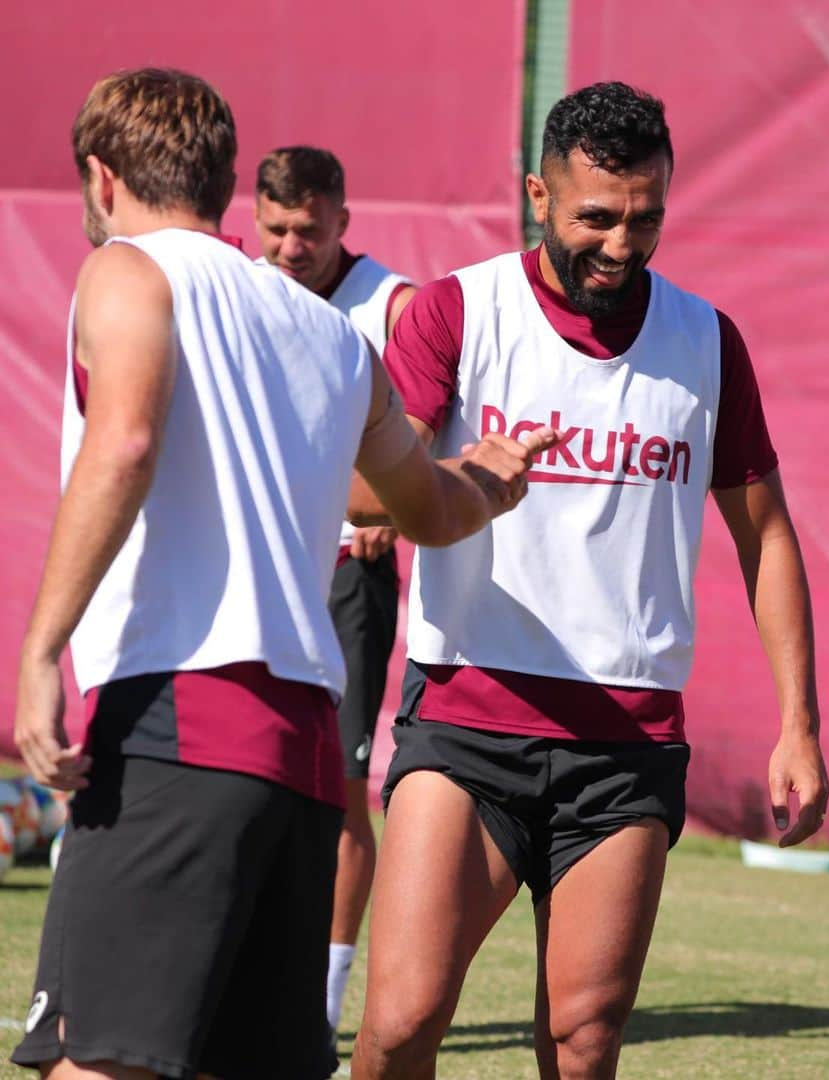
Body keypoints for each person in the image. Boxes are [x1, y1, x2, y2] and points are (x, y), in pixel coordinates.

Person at [12, 67, 557, 1080]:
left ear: (99, 177)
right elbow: (429, 511)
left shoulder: (129, 270)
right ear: (227, 183)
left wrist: (41, 648)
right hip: (303, 760)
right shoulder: (329, 333)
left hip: (177, 721)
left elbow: (125, 441)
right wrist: (486, 479)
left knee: (95, 1063)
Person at [350, 81, 829, 1080]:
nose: (621, 243)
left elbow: (767, 534)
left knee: (585, 1044)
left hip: (627, 743)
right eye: (597, 219)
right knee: (399, 1025)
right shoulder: (455, 311)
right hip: (468, 725)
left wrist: (801, 724)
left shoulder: (706, 341)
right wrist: (465, 480)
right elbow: (364, 493)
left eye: (646, 218)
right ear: (538, 195)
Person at [253, 146, 416, 1042]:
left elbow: (444, 418)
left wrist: (397, 495)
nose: (288, 248)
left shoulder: (392, 304)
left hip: (350, 577)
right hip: (262, 572)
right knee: (252, 776)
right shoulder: (241, 288)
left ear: (343, 223)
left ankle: (319, 1001)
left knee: (344, 788)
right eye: (273, 228)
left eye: (306, 231)